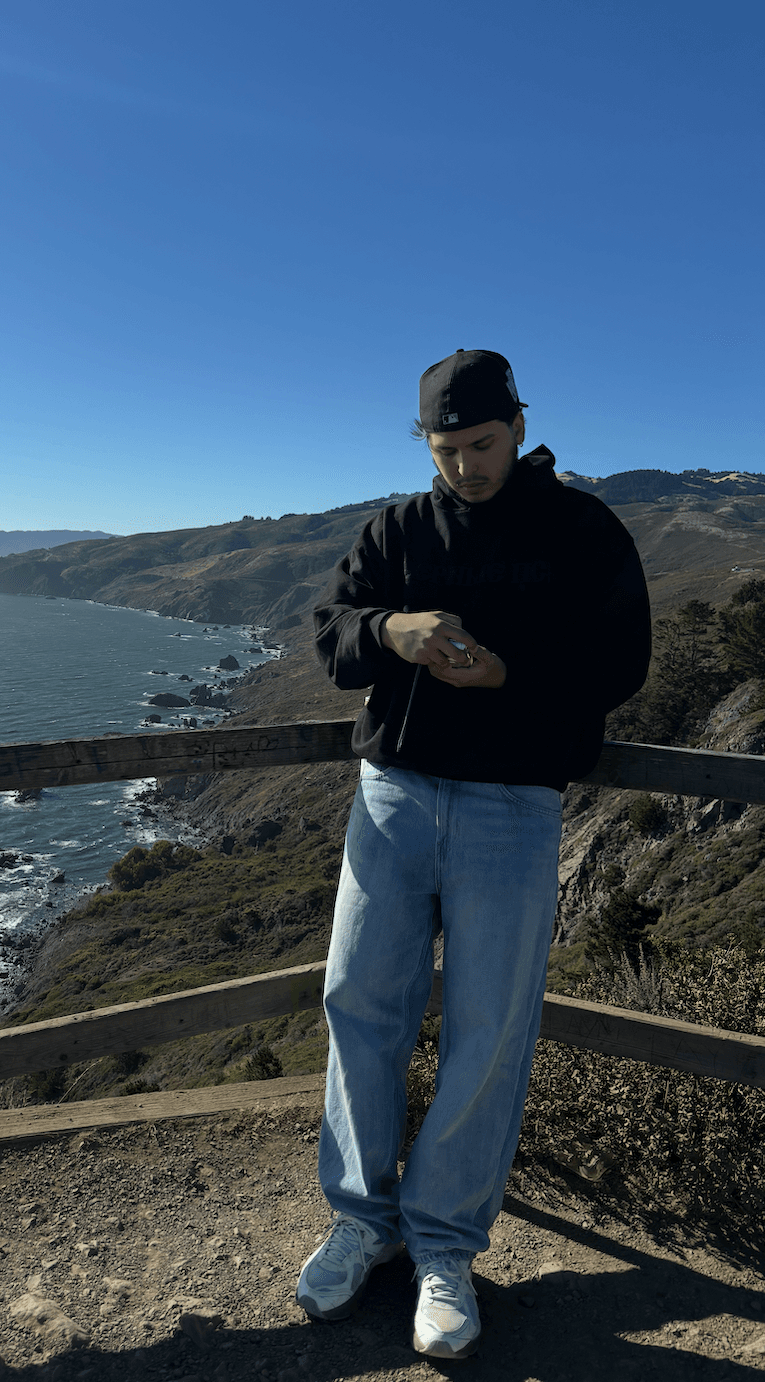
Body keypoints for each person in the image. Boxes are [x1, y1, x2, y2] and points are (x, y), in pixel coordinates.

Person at [296, 348, 651, 1359]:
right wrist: (394, 628)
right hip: (395, 789)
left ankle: (444, 1245)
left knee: (490, 1024)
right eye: (447, 450)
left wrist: (509, 672)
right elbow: (329, 634)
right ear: (427, 443)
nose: (467, 467)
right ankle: (361, 1219)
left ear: (518, 424)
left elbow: (619, 661)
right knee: (359, 999)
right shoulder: (398, 528)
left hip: (514, 802)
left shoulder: (583, 530)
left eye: (482, 445)